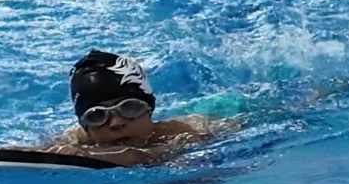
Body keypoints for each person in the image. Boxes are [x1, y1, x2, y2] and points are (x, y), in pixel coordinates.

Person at [29, 51, 229, 167]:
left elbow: (142, 156)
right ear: (85, 127)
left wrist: (87, 156)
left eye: (130, 107)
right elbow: (35, 154)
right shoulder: (76, 139)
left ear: (149, 110)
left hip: (228, 109)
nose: (116, 123)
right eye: (97, 115)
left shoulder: (182, 134)